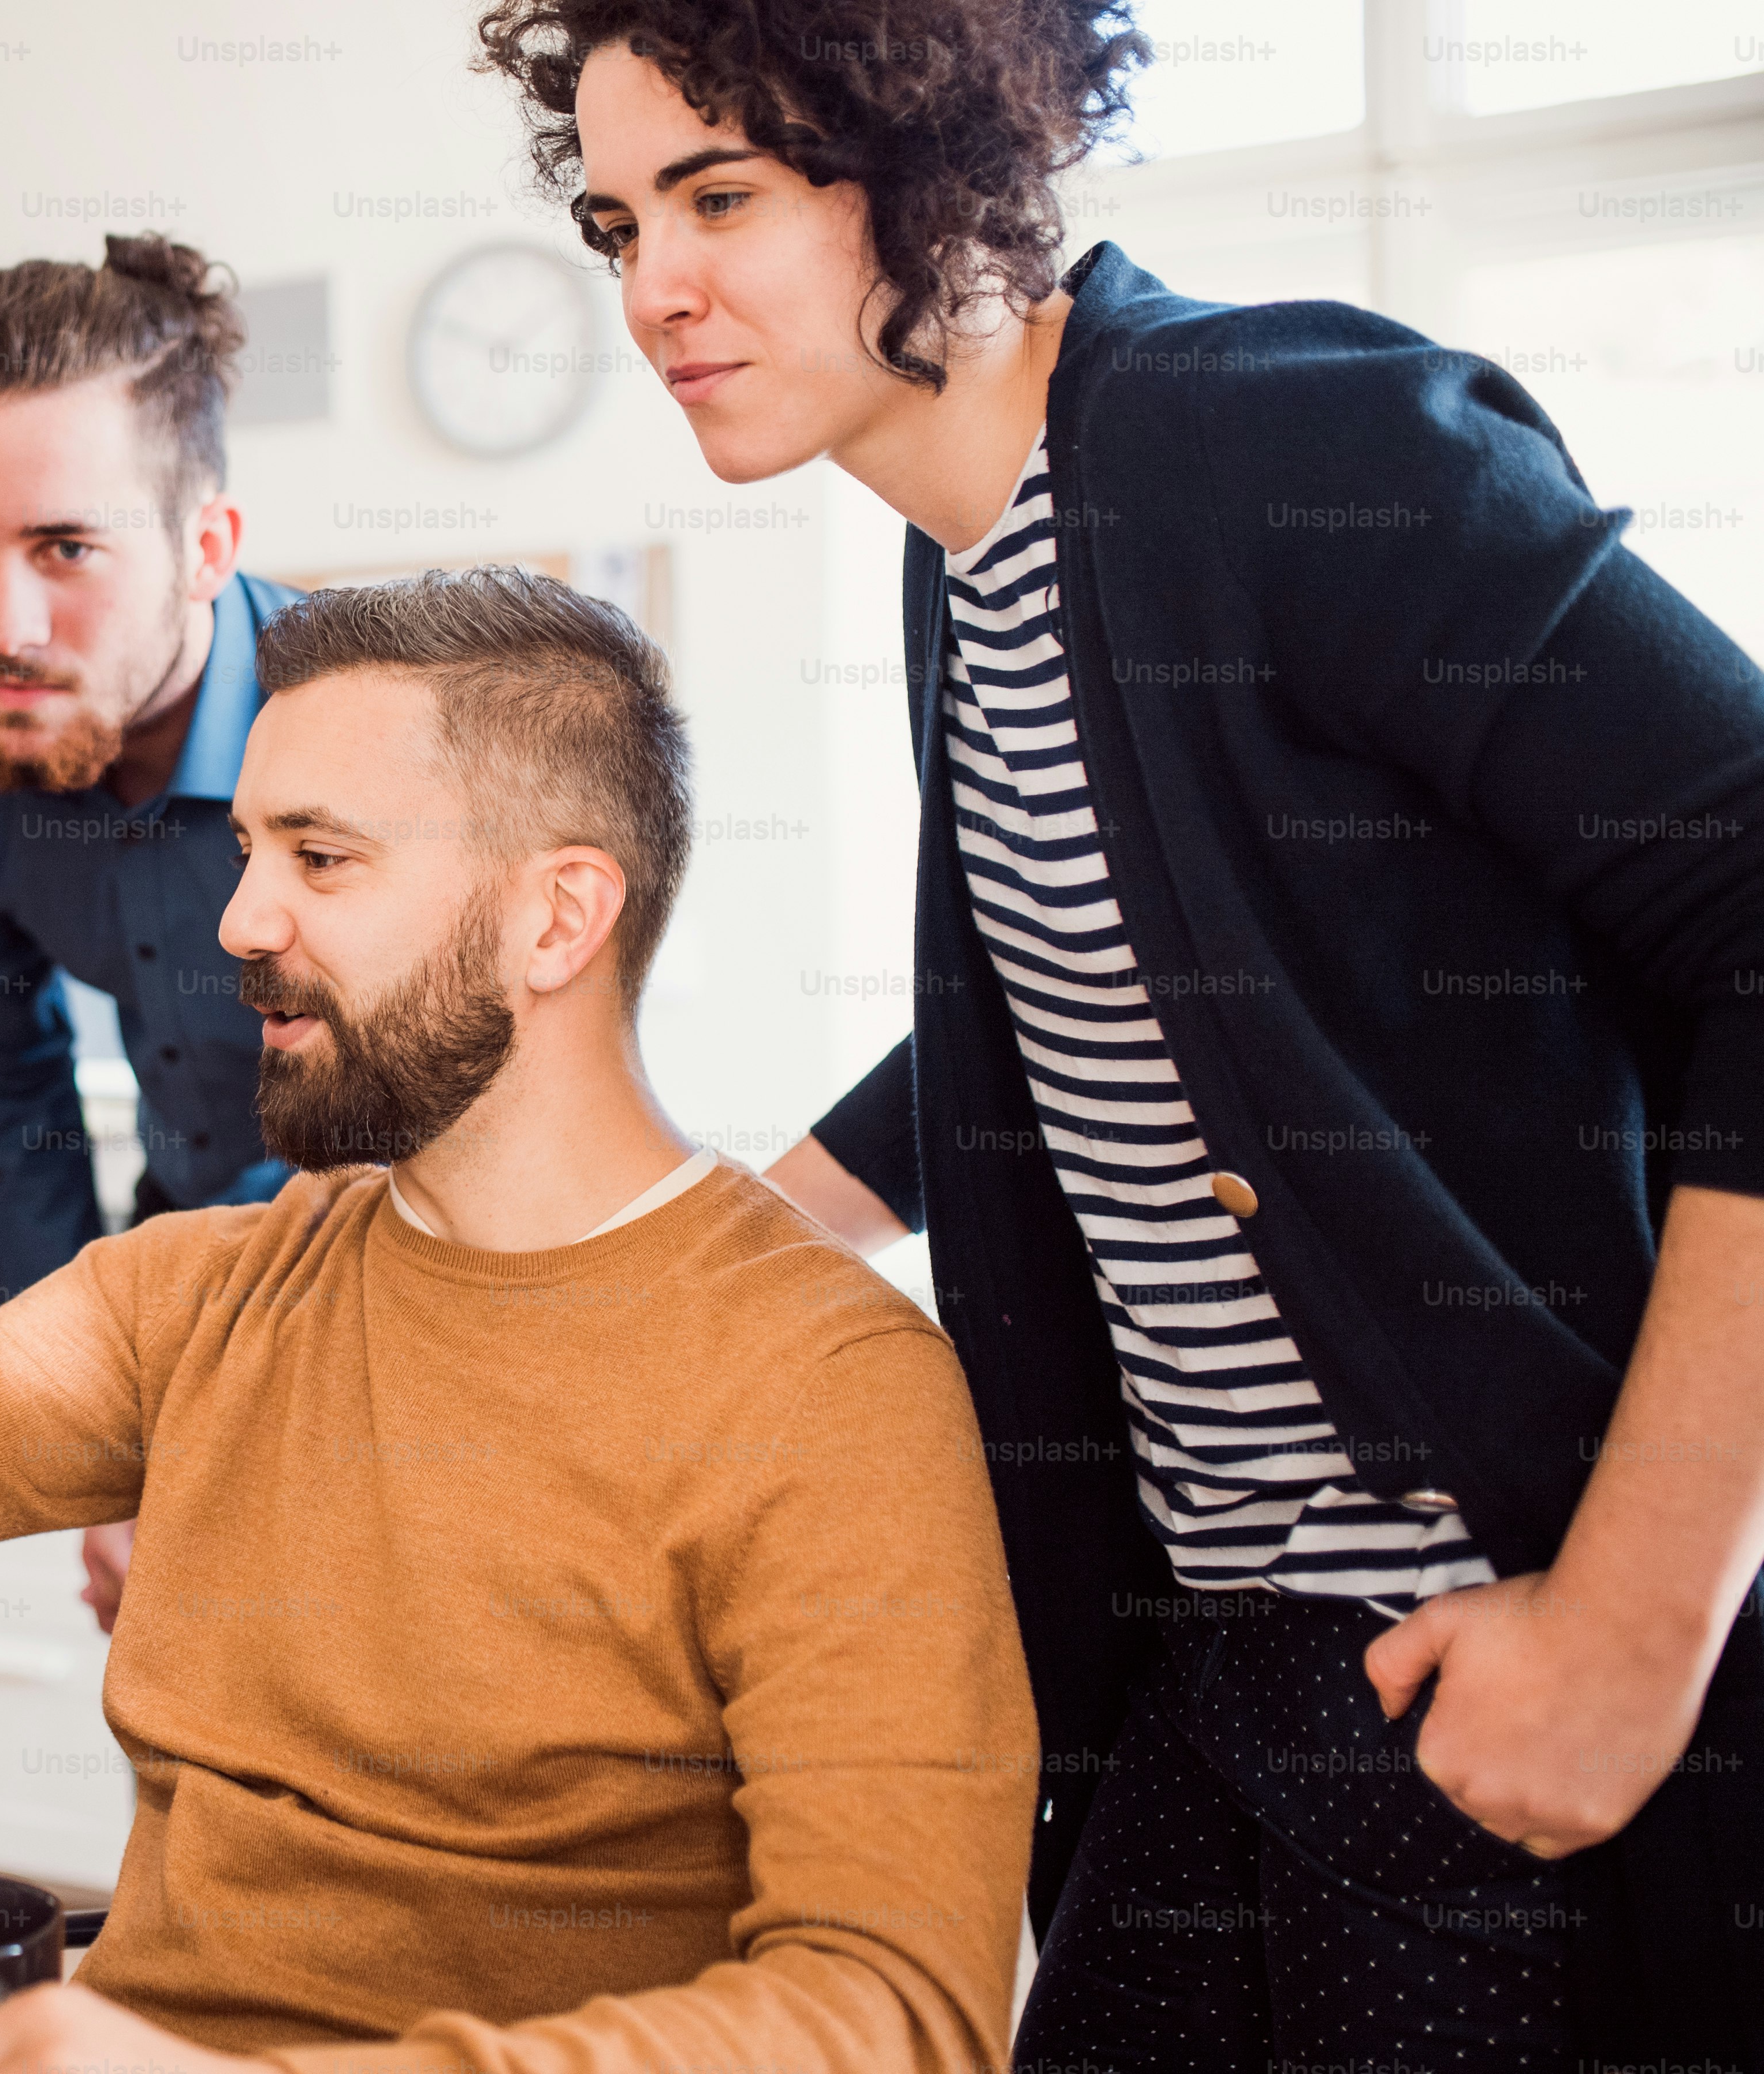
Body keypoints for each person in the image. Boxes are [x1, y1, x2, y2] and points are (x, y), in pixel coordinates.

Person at [475, 1, 1764, 2058]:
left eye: (717, 196)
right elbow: (1096, 998)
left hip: (1463, 1655)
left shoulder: (1279, 442)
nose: (652, 289)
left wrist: (1624, 1629)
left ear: (929, 158)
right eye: (614, 220)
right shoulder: (968, 553)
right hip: (1211, 1669)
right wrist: (706, 1257)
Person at [0, 568, 1041, 2074]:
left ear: (557, 916)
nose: (241, 918)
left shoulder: (835, 1390)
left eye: (321, 859)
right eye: (249, 848)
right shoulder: (216, 1288)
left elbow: (891, 2018)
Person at [0, 235, 304, 1630]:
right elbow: (9, 1104)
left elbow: (444, 1132)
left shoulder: (359, 722)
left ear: (206, 547)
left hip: (388, 1259)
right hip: (168, 1269)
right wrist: (92, 1437)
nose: (6, 626)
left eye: (65, 548)